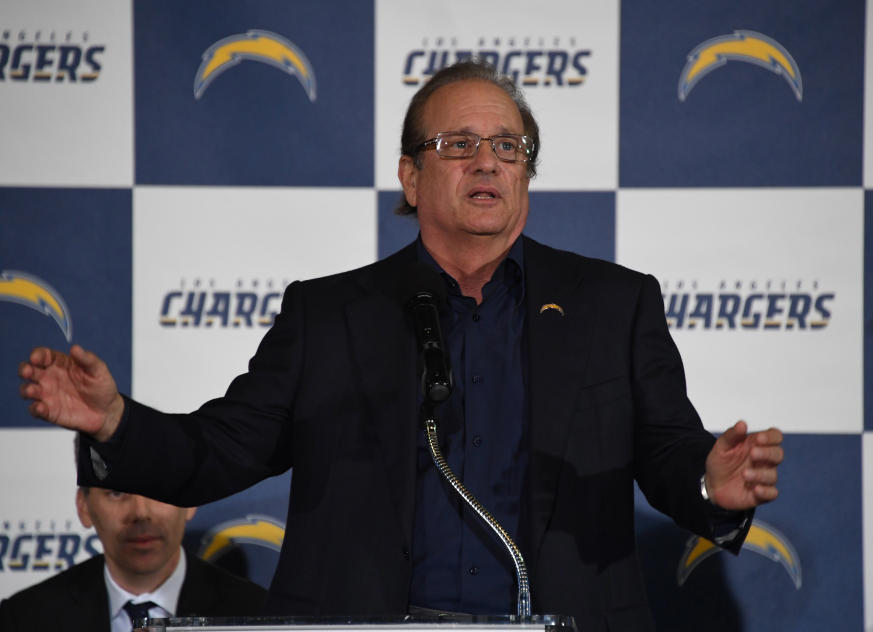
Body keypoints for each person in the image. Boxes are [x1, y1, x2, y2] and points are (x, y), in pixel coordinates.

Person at [17, 59, 783, 632]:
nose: (488, 161)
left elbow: (667, 452)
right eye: (459, 144)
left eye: (508, 146)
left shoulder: (614, 304)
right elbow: (217, 452)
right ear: (411, 178)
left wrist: (712, 484)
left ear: (526, 174)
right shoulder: (328, 314)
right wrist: (116, 420)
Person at [0, 447, 266, 632]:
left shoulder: (255, 616)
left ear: (190, 500)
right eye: (117, 493)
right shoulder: (26, 619)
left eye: (158, 489)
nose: (140, 513)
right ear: (84, 507)